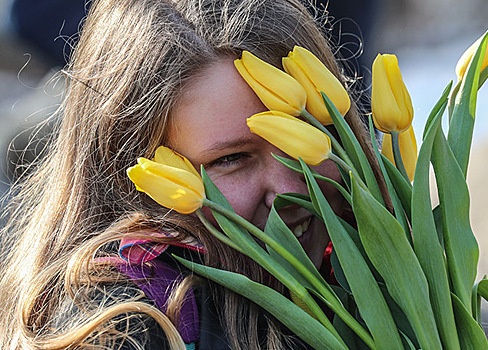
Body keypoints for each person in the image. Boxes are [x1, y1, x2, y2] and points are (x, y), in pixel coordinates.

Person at [0, 0, 388, 349]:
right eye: (231, 159)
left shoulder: (406, 272)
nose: (288, 189)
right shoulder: (123, 328)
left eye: (303, 139)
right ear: (135, 176)